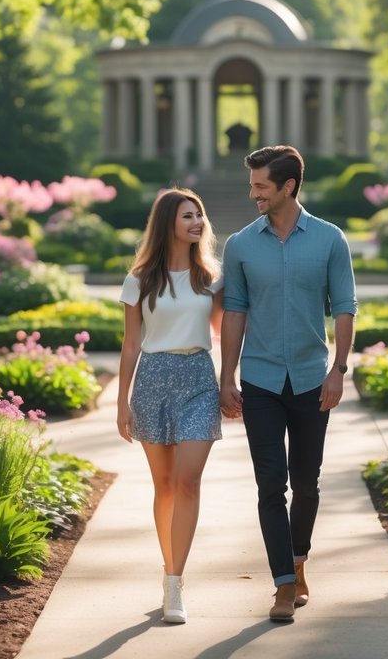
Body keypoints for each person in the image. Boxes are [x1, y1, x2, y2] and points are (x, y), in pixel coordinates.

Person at [218, 145, 357, 622]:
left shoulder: (329, 239)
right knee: (269, 486)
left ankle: (299, 563)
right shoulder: (240, 245)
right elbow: (233, 312)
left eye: (260, 186)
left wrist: (338, 370)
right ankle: (281, 584)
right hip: (258, 381)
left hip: (310, 381)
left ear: (288, 186)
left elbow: (344, 307)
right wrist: (226, 376)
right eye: (252, 184)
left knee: (307, 484)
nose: (252, 193)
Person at [116, 187, 224, 625]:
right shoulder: (139, 280)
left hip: (199, 378)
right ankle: (169, 571)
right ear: (168, 224)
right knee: (164, 484)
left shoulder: (211, 278)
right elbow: (130, 344)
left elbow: (225, 330)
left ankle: (176, 583)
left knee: (188, 482)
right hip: (152, 382)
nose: (197, 223)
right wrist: (122, 403)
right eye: (187, 216)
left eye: (199, 215)